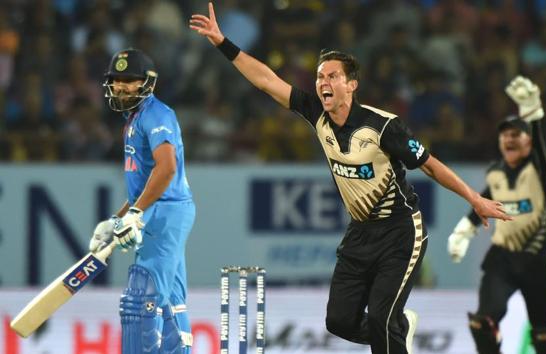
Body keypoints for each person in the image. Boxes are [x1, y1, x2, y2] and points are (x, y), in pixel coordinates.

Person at [190, 4, 510, 354]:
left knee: (382, 320)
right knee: (339, 321)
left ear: (351, 85)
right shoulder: (316, 114)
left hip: (400, 231)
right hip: (360, 232)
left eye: (332, 76)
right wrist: (223, 43)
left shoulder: (384, 126)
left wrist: (474, 199)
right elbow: (267, 81)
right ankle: (399, 330)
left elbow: (431, 165)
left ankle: (394, 329)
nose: (323, 83)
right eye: (319, 77)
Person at [89, 48, 196, 354]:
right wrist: (116, 219)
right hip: (161, 210)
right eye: (116, 80)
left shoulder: (157, 115)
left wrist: (136, 213)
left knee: (141, 298)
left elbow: (167, 168)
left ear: (146, 83)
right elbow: (144, 186)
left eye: (130, 80)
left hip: (165, 212)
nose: (121, 86)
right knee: (170, 302)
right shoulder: (134, 118)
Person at [447, 76, 546, 354]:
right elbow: (482, 204)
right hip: (502, 260)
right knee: (481, 324)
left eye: (516, 134)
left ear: (529, 142)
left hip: (536, 261)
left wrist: (533, 112)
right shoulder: (495, 174)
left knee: (544, 336)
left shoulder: (541, 172)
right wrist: (465, 229)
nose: (509, 138)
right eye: (505, 134)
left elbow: (543, 147)